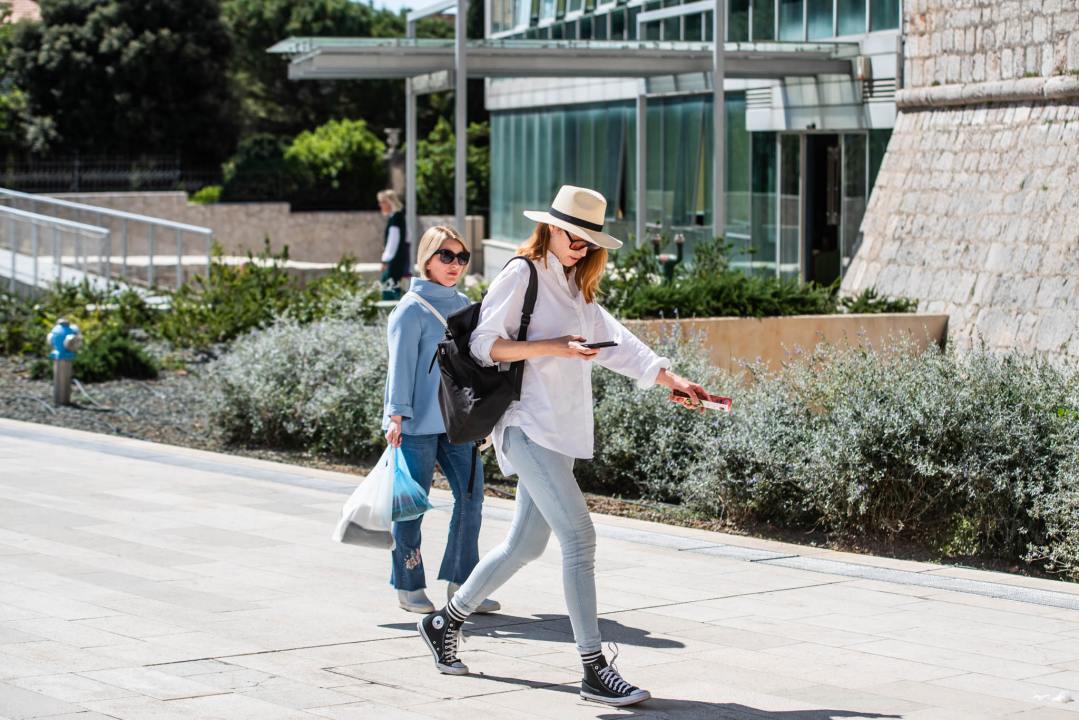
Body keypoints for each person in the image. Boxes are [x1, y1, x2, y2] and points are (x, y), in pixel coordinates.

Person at [417, 185, 709, 707]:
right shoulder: (522, 273)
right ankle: (595, 669)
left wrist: (675, 380)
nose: (582, 248)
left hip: (563, 432)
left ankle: (445, 621)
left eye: (590, 242)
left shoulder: (577, 287)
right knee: (580, 539)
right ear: (552, 227)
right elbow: (485, 344)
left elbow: (621, 345)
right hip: (527, 428)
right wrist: (551, 347)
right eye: (576, 238)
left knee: (525, 546)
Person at [383, 225, 501, 615]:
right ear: (427, 260)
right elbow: (399, 368)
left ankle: (463, 586)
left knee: (471, 500)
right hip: (415, 426)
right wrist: (395, 417)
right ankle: (408, 584)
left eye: (461, 257)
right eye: (446, 256)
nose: (455, 264)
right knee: (412, 507)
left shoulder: (465, 303)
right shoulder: (409, 310)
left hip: (458, 424)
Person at [378, 189, 409, 300]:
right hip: (399, 257)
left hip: (394, 260)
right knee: (392, 285)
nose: (380, 204)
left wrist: (385, 260)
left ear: (389, 202)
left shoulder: (396, 218)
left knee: (388, 285)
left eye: (382, 202)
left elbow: (393, 242)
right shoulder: (398, 217)